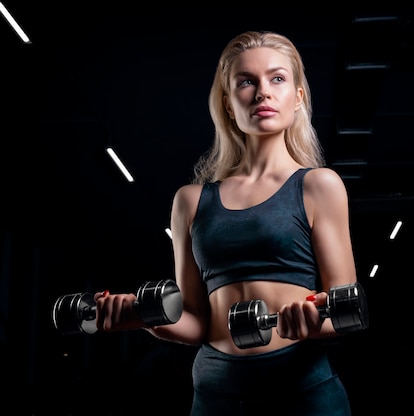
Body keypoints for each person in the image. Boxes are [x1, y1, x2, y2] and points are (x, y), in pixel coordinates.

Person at [93, 30, 360, 415]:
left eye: (277, 79)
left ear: (298, 98)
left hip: (302, 392)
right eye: (246, 82)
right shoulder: (191, 200)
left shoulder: (319, 185)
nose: (263, 92)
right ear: (228, 102)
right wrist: (143, 317)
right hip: (217, 394)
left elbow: (345, 310)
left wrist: (312, 324)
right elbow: (197, 322)